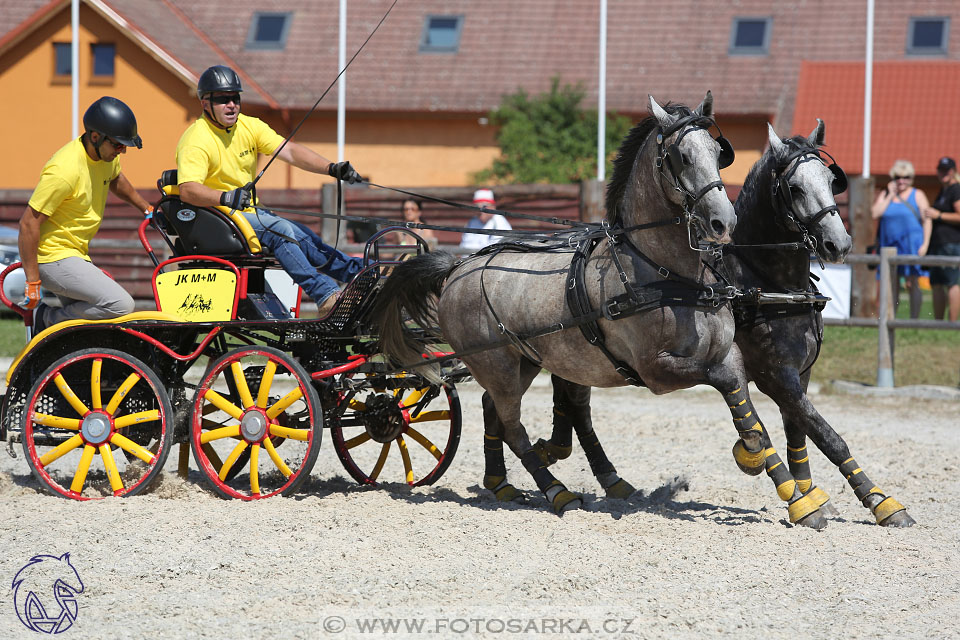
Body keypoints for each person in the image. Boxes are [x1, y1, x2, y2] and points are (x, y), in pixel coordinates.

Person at [175, 65, 364, 316]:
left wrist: (331, 168)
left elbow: (290, 151)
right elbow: (187, 191)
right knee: (281, 230)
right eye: (222, 99)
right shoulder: (196, 139)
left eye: (235, 98)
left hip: (246, 215)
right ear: (205, 103)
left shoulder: (249, 126)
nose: (231, 105)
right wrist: (226, 197)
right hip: (218, 218)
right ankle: (326, 295)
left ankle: (360, 272)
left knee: (303, 235)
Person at [19, 96, 151, 334]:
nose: (122, 152)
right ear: (94, 137)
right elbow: (28, 225)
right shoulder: (64, 170)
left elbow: (116, 179)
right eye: (118, 145)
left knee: (89, 328)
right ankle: (46, 320)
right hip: (51, 257)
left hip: (75, 254)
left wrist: (146, 208)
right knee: (120, 305)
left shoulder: (105, 157)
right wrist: (32, 282)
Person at [870, 159, 931, 319]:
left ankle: (914, 320)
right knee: (891, 285)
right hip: (889, 246)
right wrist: (890, 195)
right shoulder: (885, 194)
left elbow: (927, 220)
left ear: (912, 178)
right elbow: (875, 213)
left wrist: (925, 244)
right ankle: (890, 320)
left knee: (912, 283)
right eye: (898, 177)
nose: (902, 180)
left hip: (911, 245)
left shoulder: (918, 195)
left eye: (906, 177)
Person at [923, 156, 960, 321]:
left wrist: (938, 215)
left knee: (951, 283)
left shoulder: (956, 190)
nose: (943, 173)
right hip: (938, 243)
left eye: (947, 170)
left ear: (953, 172)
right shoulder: (943, 191)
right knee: (936, 284)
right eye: (941, 170)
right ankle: (938, 323)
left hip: (951, 243)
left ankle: (951, 323)